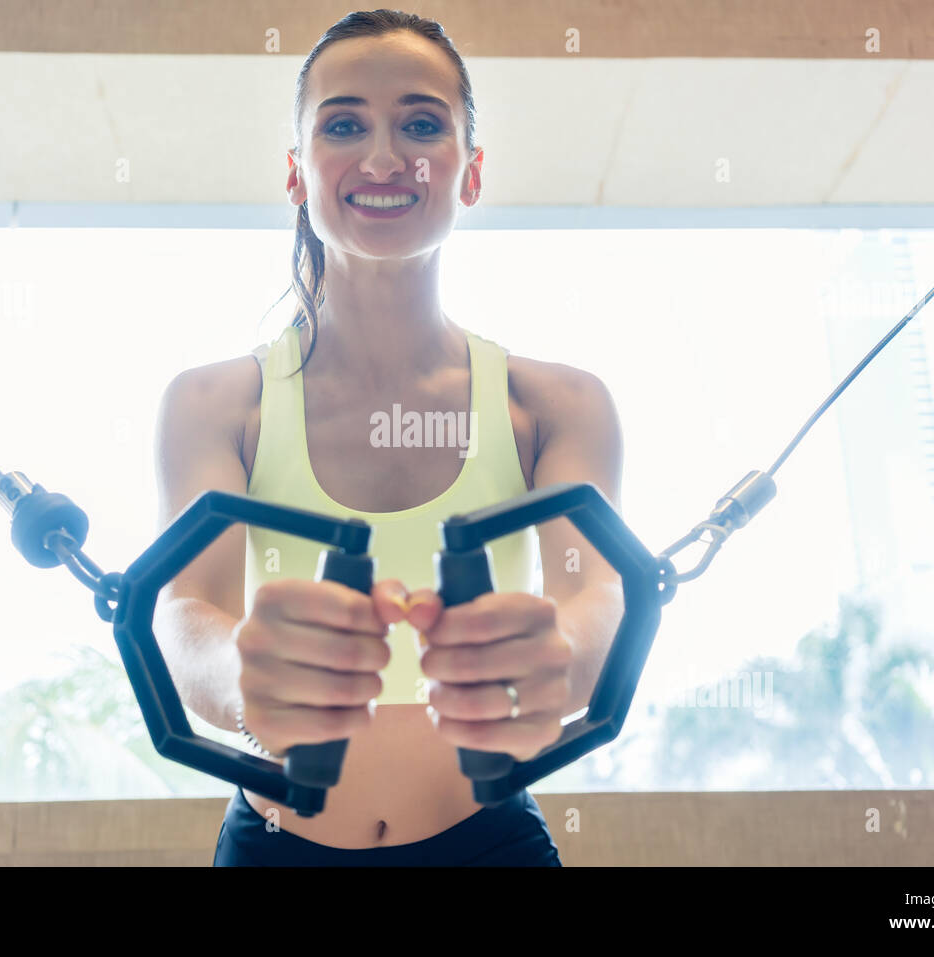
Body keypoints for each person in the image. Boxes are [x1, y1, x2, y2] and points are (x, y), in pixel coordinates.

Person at [154, 9, 624, 866]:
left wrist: (560, 654)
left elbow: (597, 594)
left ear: (469, 172)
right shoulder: (215, 404)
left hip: (491, 844)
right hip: (274, 846)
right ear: (296, 173)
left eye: (419, 123)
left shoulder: (556, 405)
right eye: (343, 125)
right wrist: (242, 678)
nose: (381, 158)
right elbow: (186, 610)